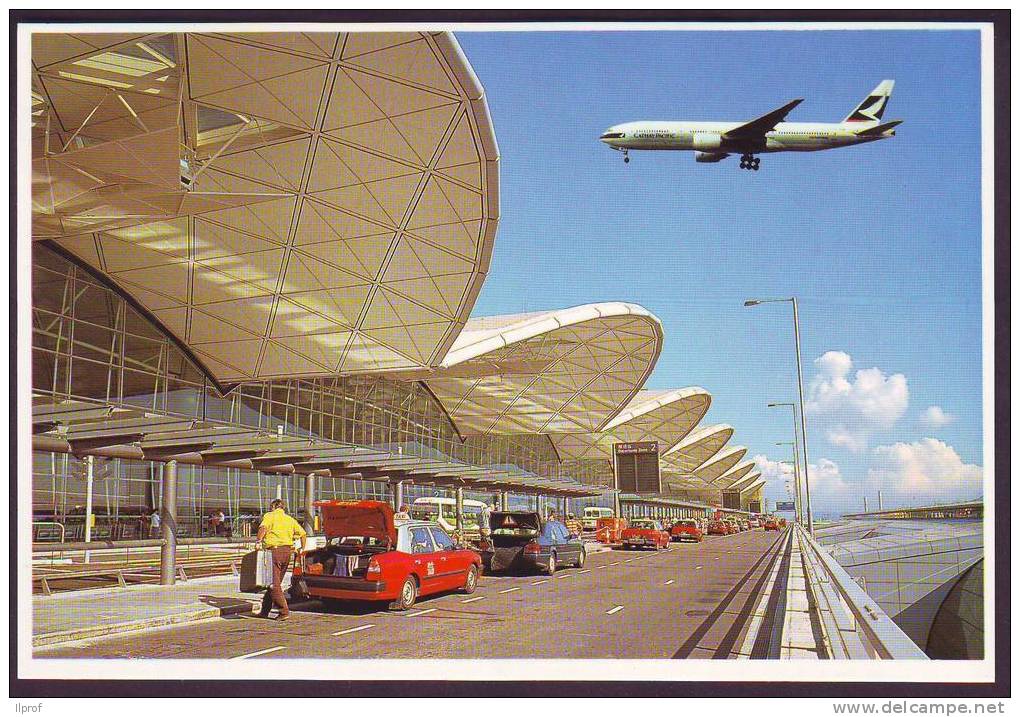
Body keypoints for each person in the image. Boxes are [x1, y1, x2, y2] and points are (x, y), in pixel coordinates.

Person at [257, 499, 307, 620]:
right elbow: (303, 533)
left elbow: (263, 528)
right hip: (287, 552)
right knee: (274, 582)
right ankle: (265, 610)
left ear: (273, 506)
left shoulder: (270, 516)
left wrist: (258, 541)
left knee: (274, 584)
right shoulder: (289, 519)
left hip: (274, 552)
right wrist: (302, 548)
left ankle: (284, 611)